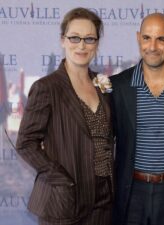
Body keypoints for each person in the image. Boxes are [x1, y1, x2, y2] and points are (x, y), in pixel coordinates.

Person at [16, 8, 114, 225]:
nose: (81, 45)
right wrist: (61, 180)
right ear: (62, 40)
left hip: (104, 200)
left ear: (97, 44)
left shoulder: (103, 85)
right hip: (65, 200)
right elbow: (25, 143)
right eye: (74, 37)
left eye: (89, 38)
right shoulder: (47, 87)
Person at [110, 13, 164, 225]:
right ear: (138, 37)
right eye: (147, 37)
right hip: (131, 192)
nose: (153, 46)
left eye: (161, 39)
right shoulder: (118, 86)